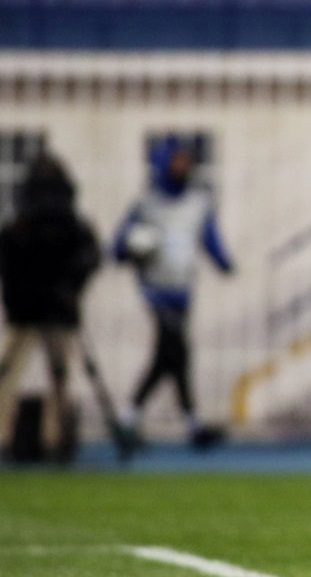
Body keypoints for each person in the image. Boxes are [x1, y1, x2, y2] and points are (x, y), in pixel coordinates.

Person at [113, 136, 233, 450]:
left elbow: (209, 238)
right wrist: (134, 248)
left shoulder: (197, 203)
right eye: (177, 161)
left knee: (172, 356)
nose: (183, 167)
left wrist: (224, 263)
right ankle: (150, 418)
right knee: (175, 351)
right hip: (156, 290)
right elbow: (118, 247)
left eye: (186, 161)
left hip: (182, 290)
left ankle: (136, 418)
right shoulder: (146, 204)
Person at [0, 153, 100, 462]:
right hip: (32, 309)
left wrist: (68, 288)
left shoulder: (62, 224)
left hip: (47, 309)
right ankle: (35, 436)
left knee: (54, 375)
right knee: (17, 373)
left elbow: (88, 258)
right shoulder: (26, 226)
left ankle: (54, 437)